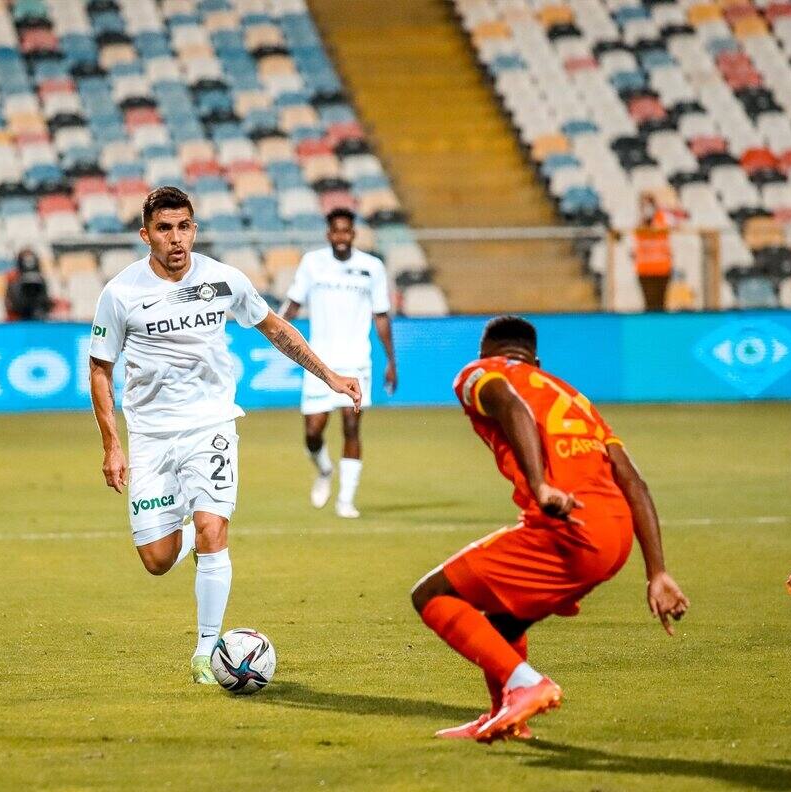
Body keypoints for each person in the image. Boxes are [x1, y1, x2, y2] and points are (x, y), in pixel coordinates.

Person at [89, 186, 362, 684]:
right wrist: (112, 444)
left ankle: (205, 652)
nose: (177, 238)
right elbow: (101, 369)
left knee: (216, 531)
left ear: (194, 228)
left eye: (185, 226)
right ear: (145, 234)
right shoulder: (120, 293)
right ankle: (190, 529)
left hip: (211, 425)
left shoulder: (222, 279)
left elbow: (276, 329)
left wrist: (332, 377)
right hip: (150, 436)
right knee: (157, 560)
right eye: (165, 229)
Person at [409, 315, 688, 741]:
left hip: (568, 527)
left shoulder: (481, 373)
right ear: (535, 360)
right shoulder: (575, 398)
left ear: (485, 354)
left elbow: (510, 405)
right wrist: (658, 572)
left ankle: (527, 686)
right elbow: (632, 480)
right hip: (615, 537)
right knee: (504, 622)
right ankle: (505, 715)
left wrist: (539, 486)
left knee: (431, 595)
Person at [281, 208, 396, 518]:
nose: (342, 237)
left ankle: (346, 500)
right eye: (337, 231)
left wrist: (391, 360)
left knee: (351, 426)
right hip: (319, 362)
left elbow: (381, 315)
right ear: (328, 234)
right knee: (313, 432)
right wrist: (275, 330)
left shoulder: (371, 267)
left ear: (353, 234)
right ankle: (323, 470)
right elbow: (293, 303)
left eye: (347, 231)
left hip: (357, 360)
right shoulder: (313, 264)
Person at [633, 192, 679, 312]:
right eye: (644, 204)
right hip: (645, 270)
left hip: (662, 268)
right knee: (649, 304)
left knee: (661, 304)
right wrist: (643, 219)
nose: (647, 208)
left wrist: (659, 214)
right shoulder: (637, 220)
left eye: (649, 204)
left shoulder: (663, 218)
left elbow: (678, 222)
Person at [5, 247, 53, 320]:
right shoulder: (13, 279)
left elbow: (45, 301)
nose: (28, 263)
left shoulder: (41, 279)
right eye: (25, 260)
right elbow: (10, 303)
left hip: (39, 316)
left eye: (31, 260)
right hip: (18, 316)